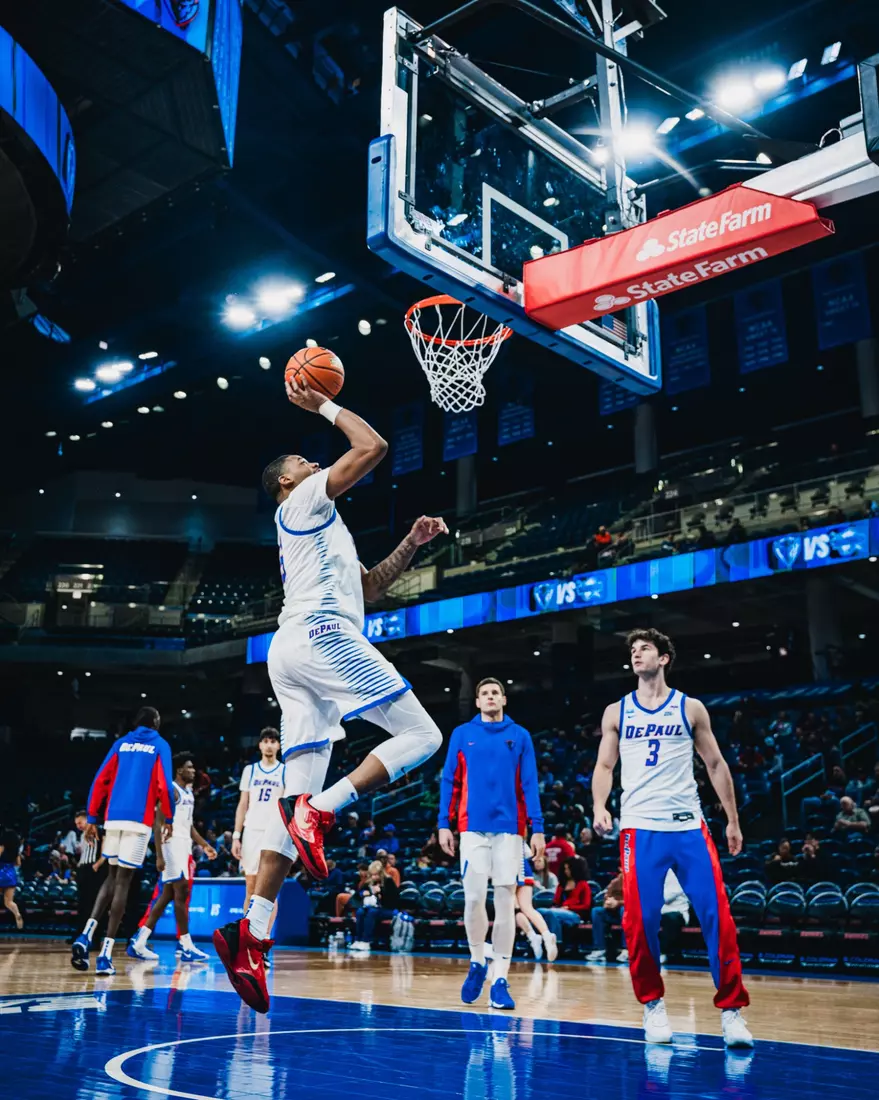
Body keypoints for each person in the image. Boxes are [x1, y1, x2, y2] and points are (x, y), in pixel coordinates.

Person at [213, 375, 445, 1013]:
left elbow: (369, 590)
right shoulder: (303, 501)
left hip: (293, 654)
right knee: (424, 735)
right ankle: (324, 811)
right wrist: (325, 404)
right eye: (301, 460)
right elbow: (370, 447)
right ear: (286, 481)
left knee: (292, 814)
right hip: (320, 638)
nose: (312, 460)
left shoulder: (322, 522)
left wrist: (413, 544)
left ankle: (251, 937)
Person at [592, 628, 753, 1048]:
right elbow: (605, 767)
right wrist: (598, 806)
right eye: (632, 649)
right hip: (640, 827)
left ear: (664, 658)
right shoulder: (616, 711)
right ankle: (652, 1006)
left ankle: (732, 1012)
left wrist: (732, 820)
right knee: (640, 922)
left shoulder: (690, 708)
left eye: (645, 648)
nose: (636, 654)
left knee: (717, 916)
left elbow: (716, 764)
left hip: (687, 826)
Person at [437, 677, 545, 1011]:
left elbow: (530, 783)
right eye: (484, 693)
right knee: (472, 899)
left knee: (504, 903)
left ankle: (500, 978)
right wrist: (444, 823)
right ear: (478, 701)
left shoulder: (520, 735)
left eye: (495, 692)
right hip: (471, 829)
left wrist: (537, 828)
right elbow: (450, 780)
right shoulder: (462, 734)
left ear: (503, 700)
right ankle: (476, 961)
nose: (490, 697)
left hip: (510, 831)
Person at [71, 706, 174, 975]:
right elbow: (164, 784)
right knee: (123, 884)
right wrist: (170, 819)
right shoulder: (160, 745)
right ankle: (105, 953)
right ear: (155, 722)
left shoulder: (121, 743)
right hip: (138, 821)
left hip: (112, 817)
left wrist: (92, 817)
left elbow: (101, 779)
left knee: (110, 878)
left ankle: (85, 934)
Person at [128, 753, 217, 962]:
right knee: (181, 892)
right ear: (179, 770)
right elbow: (157, 825)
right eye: (189, 767)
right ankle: (186, 945)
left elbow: (189, 825)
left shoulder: (188, 793)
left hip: (183, 844)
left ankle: (140, 940)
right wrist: (159, 855)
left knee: (167, 895)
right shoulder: (170, 792)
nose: (193, 771)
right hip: (171, 846)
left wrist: (204, 845)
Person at [231, 728, 286, 937]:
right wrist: (237, 835)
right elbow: (242, 804)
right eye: (266, 741)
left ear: (278, 746)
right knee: (251, 887)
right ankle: (249, 938)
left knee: (271, 890)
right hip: (252, 831)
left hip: (274, 831)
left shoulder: (285, 771)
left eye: (273, 741)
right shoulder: (250, 770)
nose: (269, 745)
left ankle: (264, 939)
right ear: (260, 745)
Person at [512, 843, 559, 962]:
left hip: (508, 864)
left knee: (514, 909)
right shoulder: (519, 833)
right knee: (527, 908)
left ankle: (532, 936)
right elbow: (529, 854)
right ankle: (547, 935)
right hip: (524, 866)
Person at [350, 859, 400, 952]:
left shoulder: (388, 881)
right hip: (373, 908)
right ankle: (358, 940)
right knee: (360, 912)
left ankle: (366, 941)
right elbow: (357, 896)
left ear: (381, 873)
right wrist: (363, 893)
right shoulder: (369, 882)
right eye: (372, 875)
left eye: (376, 875)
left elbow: (394, 899)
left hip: (387, 909)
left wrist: (381, 892)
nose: (374, 877)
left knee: (372, 912)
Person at [73, 809, 106, 933]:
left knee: (92, 904)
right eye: (76, 824)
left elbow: (104, 850)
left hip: (92, 869)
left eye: (80, 822)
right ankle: (80, 932)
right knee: (82, 904)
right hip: (83, 868)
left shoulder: (97, 830)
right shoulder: (83, 835)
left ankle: (93, 935)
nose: (78, 826)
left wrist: (98, 864)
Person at [0, 827, 23, 930]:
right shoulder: (16, 850)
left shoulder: (2, 845)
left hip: (1, 871)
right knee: (9, 902)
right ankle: (17, 913)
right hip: (11, 873)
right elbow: (18, 863)